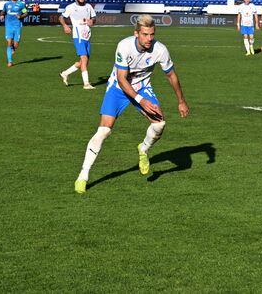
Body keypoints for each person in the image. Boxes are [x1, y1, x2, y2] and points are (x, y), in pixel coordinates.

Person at [75, 15, 189, 193]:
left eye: (152, 34)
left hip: (142, 87)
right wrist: (141, 100)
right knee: (104, 130)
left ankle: (143, 150)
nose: (149, 39)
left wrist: (181, 101)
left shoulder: (160, 50)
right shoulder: (124, 46)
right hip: (118, 88)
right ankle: (83, 175)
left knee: (160, 124)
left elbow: (171, 75)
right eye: (145, 34)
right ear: (136, 33)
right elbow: (122, 79)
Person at [59, 0, 97, 89]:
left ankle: (65, 73)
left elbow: (94, 18)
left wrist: (92, 22)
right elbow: (61, 17)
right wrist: (65, 26)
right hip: (78, 35)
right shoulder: (71, 7)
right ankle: (86, 83)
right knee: (84, 58)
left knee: (84, 61)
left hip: (87, 35)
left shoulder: (89, 7)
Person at [3, 0, 28, 67]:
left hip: (17, 26)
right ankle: (10, 61)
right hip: (9, 26)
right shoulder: (6, 4)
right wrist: (1, 15)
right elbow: (3, 11)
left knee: (16, 44)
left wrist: (20, 16)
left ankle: (13, 48)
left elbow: (26, 13)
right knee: (9, 42)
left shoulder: (21, 4)